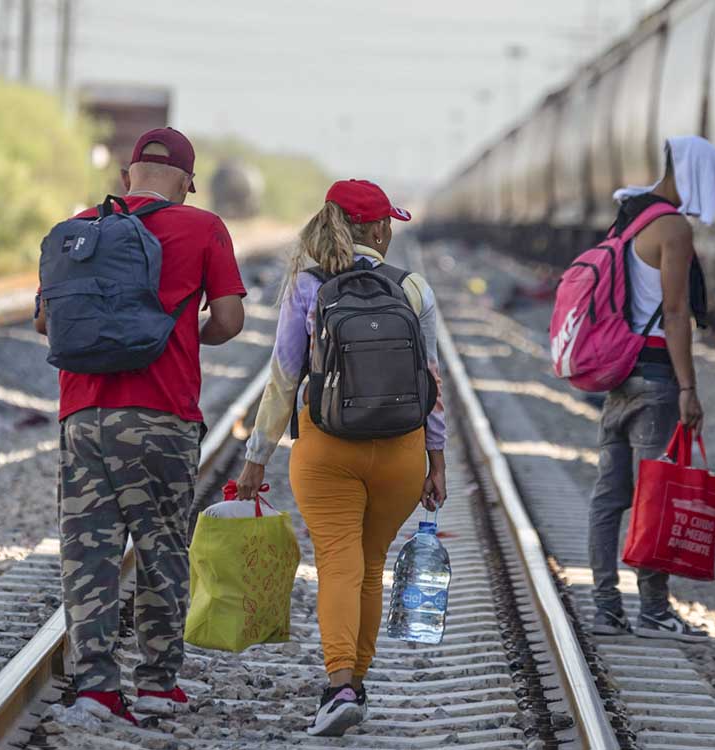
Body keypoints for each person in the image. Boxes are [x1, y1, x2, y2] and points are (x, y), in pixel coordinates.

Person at [34, 127, 247, 724]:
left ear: (128, 177)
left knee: (89, 555)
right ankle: (156, 683)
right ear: (186, 181)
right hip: (160, 417)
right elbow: (228, 319)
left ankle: (96, 688)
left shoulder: (80, 226)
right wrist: (184, 336)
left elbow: (47, 323)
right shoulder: (203, 227)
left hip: (82, 414)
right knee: (161, 552)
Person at [233, 179, 446, 737]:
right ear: (378, 228)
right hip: (401, 454)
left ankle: (341, 685)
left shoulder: (307, 286)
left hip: (327, 450)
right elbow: (434, 385)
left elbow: (283, 380)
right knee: (370, 567)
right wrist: (437, 461)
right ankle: (358, 682)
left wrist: (257, 457)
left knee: (337, 563)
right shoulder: (413, 288)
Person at [589, 136, 715, 641]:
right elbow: (675, 313)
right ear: (693, 173)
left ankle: (606, 608)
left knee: (609, 497)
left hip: (618, 371)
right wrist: (688, 388)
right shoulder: (671, 227)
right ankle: (653, 611)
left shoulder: (630, 215)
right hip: (655, 376)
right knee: (656, 493)